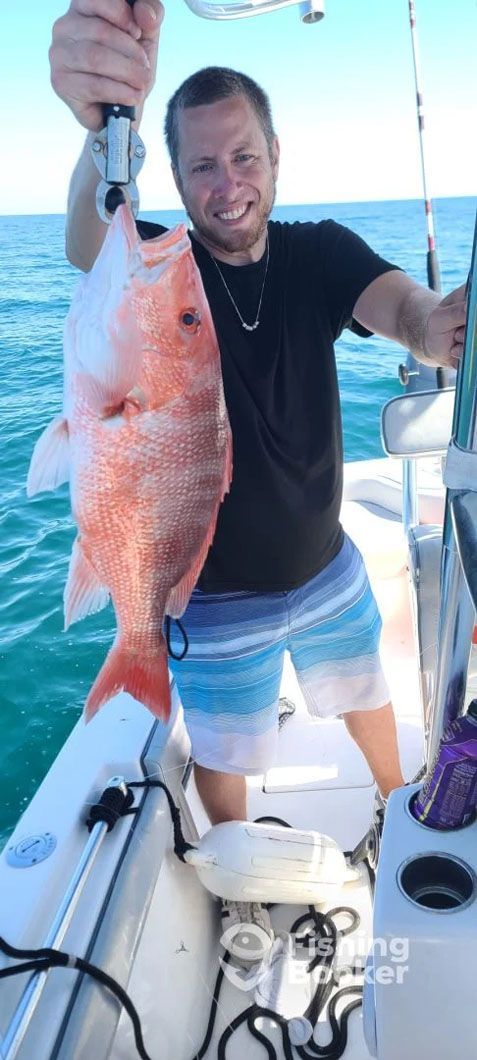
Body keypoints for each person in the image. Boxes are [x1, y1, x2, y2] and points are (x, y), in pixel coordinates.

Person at [50, 0, 466, 963]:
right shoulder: (159, 267)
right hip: (212, 596)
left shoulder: (319, 252)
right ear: (178, 176)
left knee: (367, 694)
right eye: (201, 163)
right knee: (227, 763)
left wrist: (438, 325)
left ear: (273, 156)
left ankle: (398, 807)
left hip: (327, 569)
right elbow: (84, 240)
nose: (226, 183)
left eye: (243, 157)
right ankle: (234, 870)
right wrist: (96, 136)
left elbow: (398, 306)